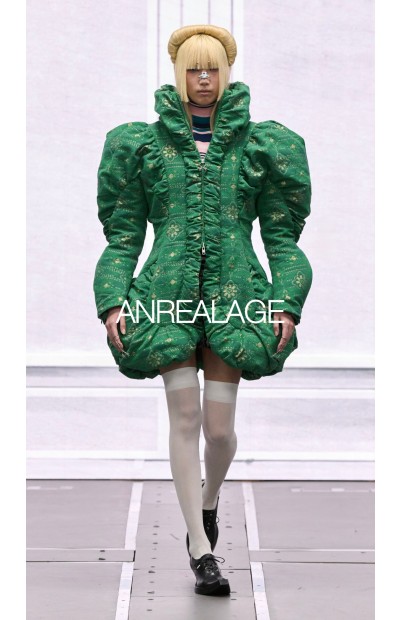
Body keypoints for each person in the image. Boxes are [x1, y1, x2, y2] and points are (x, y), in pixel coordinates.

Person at [93, 24, 313, 596]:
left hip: (235, 298)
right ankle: (200, 548)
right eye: (193, 69)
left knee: (219, 431)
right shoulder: (141, 146)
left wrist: (286, 301)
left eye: (212, 68)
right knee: (185, 419)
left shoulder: (261, 146)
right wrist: (112, 300)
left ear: (226, 72)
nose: (204, 79)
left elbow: (282, 238)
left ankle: (209, 500)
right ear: (179, 74)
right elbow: (123, 237)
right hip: (164, 299)